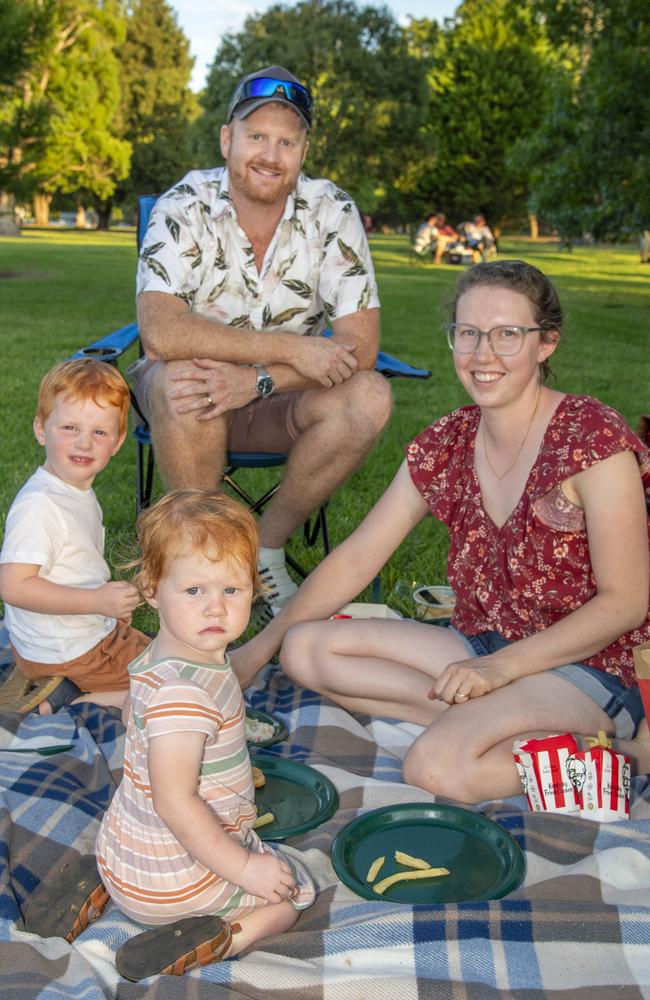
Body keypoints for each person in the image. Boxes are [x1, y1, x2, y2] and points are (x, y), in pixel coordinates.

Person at [233, 259, 650, 804]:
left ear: (545, 344)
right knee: (303, 649)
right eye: (468, 333)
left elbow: (626, 603)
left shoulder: (591, 438)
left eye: (507, 335)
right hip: (479, 642)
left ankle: (623, 757)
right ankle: (509, 729)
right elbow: (360, 556)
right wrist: (255, 651)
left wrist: (500, 670)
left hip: (583, 665)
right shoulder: (448, 442)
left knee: (437, 767)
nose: (483, 355)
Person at [133, 65, 392, 615]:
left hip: (281, 395)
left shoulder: (333, 211)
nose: (270, 154)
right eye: (256, 136)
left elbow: (359, 347)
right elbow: (161, 331)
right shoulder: (184, 204)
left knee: (369, 395)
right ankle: (201, 564)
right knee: (186, 385)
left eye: (286, 141)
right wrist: (294, 347)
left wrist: (258, 379)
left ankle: (263, 550)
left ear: (303, 151)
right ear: (227, 139)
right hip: (191, 388)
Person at [90, 490, 315, 980]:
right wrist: (244, 869)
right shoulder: (184, 693)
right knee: (292, 894)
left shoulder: (156, 658)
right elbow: (175, 803)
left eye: (231, 590)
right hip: (173, 879)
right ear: (151, 589)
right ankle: (220, 936)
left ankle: (107, 885)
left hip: (123, 850)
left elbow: (135, 715)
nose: (215, 608)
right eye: (194, 591)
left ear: (253, 590)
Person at [0, 360, 149, 714]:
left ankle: (62, 688)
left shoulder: (73, 490)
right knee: (177, 686)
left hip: (74, 638)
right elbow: (13, 587)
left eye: (100, 432)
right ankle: (77, 698)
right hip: (68, 650)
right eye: (70, 427)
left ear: (117, 442)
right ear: (41, 429)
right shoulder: (40, 505)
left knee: (176, 656)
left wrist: (108, 606)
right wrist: (97, 602)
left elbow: (74, 568)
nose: (84, 442)